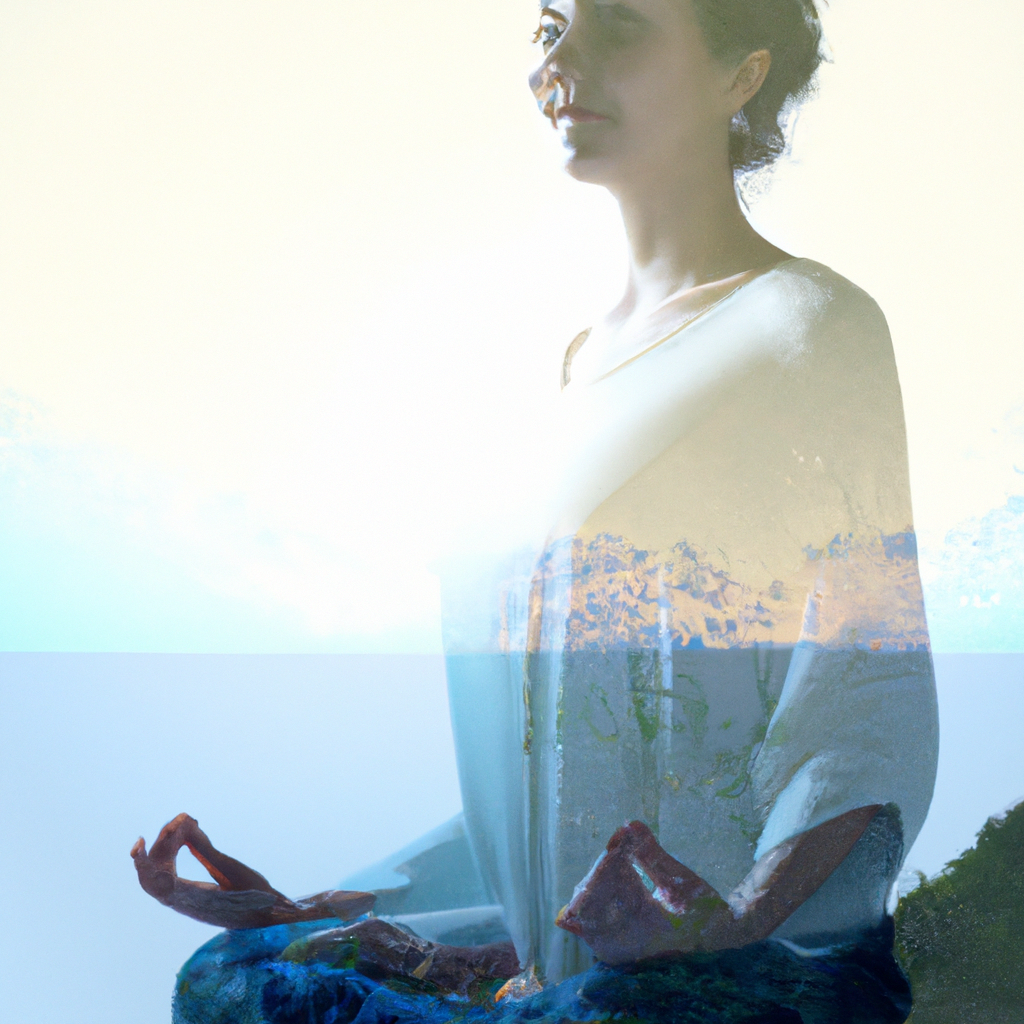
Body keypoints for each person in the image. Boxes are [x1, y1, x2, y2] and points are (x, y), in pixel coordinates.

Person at [155, 3, 940, 1021]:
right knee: (240, 978)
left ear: (738, 76)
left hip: (738, 956)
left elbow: (863, 689)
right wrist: (336, 902)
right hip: (582, 949)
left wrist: (734, 915)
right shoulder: (569, 373)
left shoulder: (806, 323)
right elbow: (557, 752)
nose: (558, 64)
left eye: (614, 27)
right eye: (548, 30)